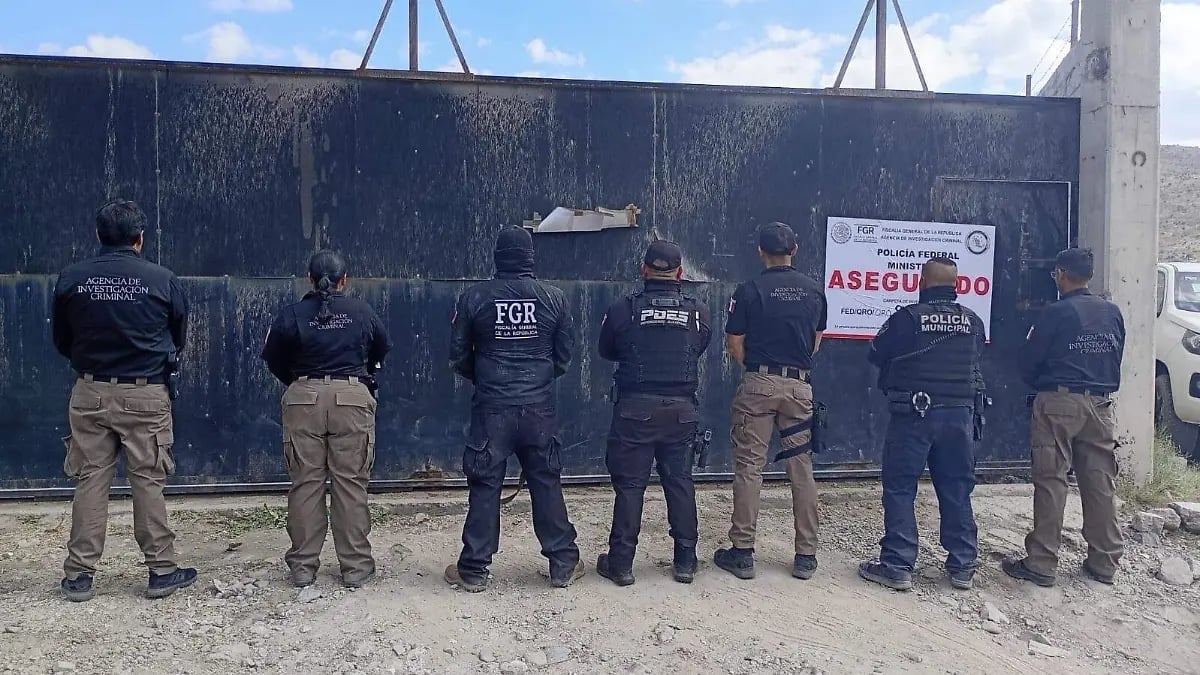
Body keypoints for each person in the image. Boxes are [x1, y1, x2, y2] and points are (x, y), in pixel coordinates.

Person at [52, 198, 197, 602]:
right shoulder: (161, 279)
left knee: (90, 481)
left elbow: (62, 340)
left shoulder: (71, 278)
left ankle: (79, 576)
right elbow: (178, 336)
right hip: (146, 392)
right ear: (140, 238)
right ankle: (161, 570)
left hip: (90, 391)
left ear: (99, 236)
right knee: (148, 481)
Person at [445, 226, 584, 592]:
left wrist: (489, 381)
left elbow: (458, 356)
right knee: (546, 480)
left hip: (493, 408)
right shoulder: (553, 298)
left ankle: (474, 569)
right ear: (530, 258)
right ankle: (563, 564)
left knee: (485, 483)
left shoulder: (474, 297)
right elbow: (564, 358)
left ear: (497, 257)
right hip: (538, 407)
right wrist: (536, 381)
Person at [261, 250, 391, 589]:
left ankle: (303, 567)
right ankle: (356, 568)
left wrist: (299, 382)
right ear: (345, 280)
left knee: (306, 483)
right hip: (352, 398)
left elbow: (273, 357)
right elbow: (381, 349)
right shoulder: (361, 312)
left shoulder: (293, 314)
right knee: (350, 483)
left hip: (303, 397)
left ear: (309, 278)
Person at [858, 257, 987, 592]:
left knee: (901, 487)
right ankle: (963, 565)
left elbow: (876, 353)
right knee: (957, 487)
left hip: (915, 415)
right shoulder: (972, 321)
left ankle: (898, 564)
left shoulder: (906, 319)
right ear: (956, 286)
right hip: (960, 416)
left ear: (922, 283)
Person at [1004, 248, 1126, 587]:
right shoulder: (1112, 312)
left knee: (1052, 480)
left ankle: (1042, 562)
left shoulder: (1055, 313)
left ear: (1060, 274)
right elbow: (1117, 355)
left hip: (1059, 401)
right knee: (1100, 481)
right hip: (1101, 405)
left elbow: (1029, 360)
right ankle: (1104, 562)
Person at [595, 241, 713, 586]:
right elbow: (698, 348)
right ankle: (686, 561)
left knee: (631, 486)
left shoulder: (622, 309)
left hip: (636, 409)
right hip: (681, 411)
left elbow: (606, 350)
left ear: (644, 269)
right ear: (680, 273)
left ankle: (621, 564)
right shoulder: (698, 311)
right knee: (679, 482)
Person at [714, 222, 827, 581]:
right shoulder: (813, 290)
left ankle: (743, 552)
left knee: (749, 465)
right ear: (795, 249)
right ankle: (806, 555)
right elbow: (815, 341)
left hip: (759, 384)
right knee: (801, 467)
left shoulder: (749, 291)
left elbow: (735, 342)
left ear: (760, 252)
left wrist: (758, 372)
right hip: (799, 386)